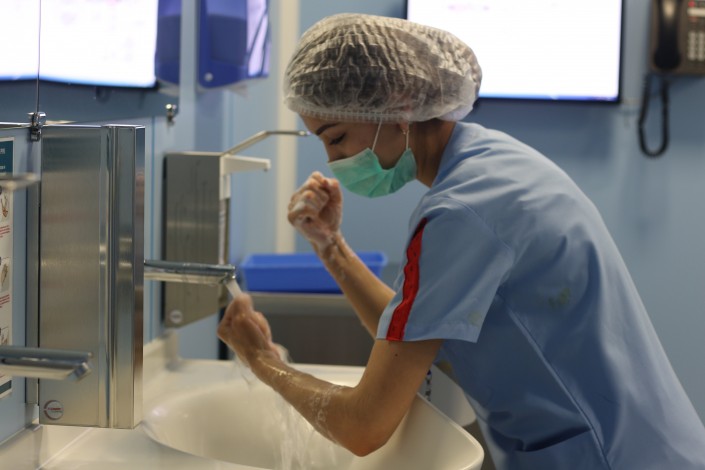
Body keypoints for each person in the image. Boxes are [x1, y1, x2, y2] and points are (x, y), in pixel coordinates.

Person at [217, 12, 705, 469]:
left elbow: (364, 426)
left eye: (337, 137)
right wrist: (331, 248)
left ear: (398, 105)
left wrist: (261, 360)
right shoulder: (492, 164)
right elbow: (414, 333)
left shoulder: (461, 213)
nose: (334, 160)